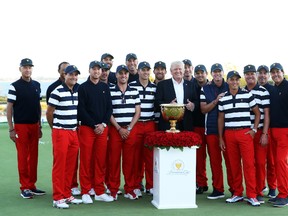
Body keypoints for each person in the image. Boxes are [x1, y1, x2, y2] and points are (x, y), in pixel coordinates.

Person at [218, 70, 261, 207]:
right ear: (228, 81)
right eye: (232, 79)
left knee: (249, 165)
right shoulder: (223, 97)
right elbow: (220, 118)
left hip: (245, 133)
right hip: (229, 134)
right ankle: (237, 193)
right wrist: (220, 137)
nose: (235, 82)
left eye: (237, 80)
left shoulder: (247, 95)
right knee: (233, 165)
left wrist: (254, 129)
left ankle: (252, 195)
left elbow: (257, 112)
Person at [6, 58, 46, 199]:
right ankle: (24, 187)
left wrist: (40, 125)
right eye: (25, 67)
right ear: (20, 69)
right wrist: (11, 129)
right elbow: (9, 109)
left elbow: (38, 106)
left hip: (34, 125)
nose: (27, 70)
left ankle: (32, 185)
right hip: (21, 126)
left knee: (34, 157)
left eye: (29, 67)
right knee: (23, 157)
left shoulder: (37, 85)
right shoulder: (14, 86)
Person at [46, 65, 83, 209]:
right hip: (61, 132)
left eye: (75, 75)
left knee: (70, 166)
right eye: (70, 75)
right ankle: (57, 197)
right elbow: (49, 112)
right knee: (60, 166)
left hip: (73, 132)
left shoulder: (76, 91)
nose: (73, 77)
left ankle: (67, 194)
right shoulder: (57, 91)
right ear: (64, 75)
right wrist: (54, 127)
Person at [77, 61, 114, 204]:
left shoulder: (105, 87)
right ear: (89, 70)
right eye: (94, 69)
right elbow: (81, 110)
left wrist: (103, 124)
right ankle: (85, 191)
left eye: (100, 69)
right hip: (87, 128)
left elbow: (109, 108)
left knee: (100, 161)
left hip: (102, 129)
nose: (97, 72)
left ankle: (99, 191)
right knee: (86, 160)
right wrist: (94, 125)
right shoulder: (83, 88)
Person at [200, 63, 233, 199]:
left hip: (229, 129)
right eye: (215, 72)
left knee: (230, 161)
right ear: (211, 74)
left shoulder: (230, 85)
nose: (217, 74)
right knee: (215, 161)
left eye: (219, 72)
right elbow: (203, 109)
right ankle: (218, 189)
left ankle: (235, 189)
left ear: (223, 73)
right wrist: (215, 101)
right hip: (212, 129)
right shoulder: (205, 89)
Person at [108, 64, 141, 200]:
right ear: (116, 75)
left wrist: (128, 128)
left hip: (130, 130)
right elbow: (108, 112)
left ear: (128, 75)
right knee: (114, 161)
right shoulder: (110, 90)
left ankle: (130, 188)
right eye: (120, 73)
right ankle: (113, 189)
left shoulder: (134, 91)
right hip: (115, 129)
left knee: (130, 162)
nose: (123, 76)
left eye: (125, 73)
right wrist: (119, 128)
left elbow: (138, 111)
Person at [243, 64, 270, 204]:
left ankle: (258, 191)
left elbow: (266, 114)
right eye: (247, 74)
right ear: (244, 76)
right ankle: (251, 191)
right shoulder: (241, 91)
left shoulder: (263, 91)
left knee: (259, 163)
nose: (250, 76)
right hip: (246, 133)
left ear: (256, 75)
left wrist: (264, 134)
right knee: (249, 163)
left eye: (252, 73)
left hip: (259, 132)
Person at [129, 61, 157, 196]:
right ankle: (136, 184)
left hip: (150, 124)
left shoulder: (154, 87)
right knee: (136, 156)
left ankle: (150, 185)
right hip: (136, 124)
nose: (145, 72)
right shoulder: (131, 86)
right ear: (138, 71)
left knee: (150, 156)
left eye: (147, 70)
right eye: (143, 70)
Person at [155, 61, 198, 131]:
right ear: (171, 71)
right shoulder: (162, 85)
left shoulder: (191, 85)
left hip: (186, 125)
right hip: (167, 125)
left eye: (180, 69)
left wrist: (193, 105)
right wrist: (168, 106)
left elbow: (197, 101)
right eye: (175, 69)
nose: (178, 71)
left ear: (183, 70)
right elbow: (157, 103)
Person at [268, 63, 288, 207]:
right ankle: (281, 192)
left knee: (282, 162)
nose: (275, 74)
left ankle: (284, 195)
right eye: (273, 72)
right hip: (273, 131)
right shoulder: (273, 88)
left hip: (285, 131)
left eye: (277, 72)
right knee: (276, 163)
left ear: (283, 72)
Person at [256, 65, 276, 198]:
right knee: (259, 161)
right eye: (260, 73)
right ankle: (261, 186)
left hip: (273, 129)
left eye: (265, 73)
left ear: (268, 75)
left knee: (272, 160)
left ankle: (273, 187)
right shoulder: (251, 89)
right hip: (259, 129)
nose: (262, 75)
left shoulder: (274, 89)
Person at [192, 64, 209, 194]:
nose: (199, 75)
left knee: (216, 159)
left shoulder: (212, 87)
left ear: (206, 73)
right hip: (197, 126)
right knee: (199, 157)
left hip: (213, 127)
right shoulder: (192, 87)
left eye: (201, 73)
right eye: (197, 73)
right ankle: (201, 183)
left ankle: (219, 187)